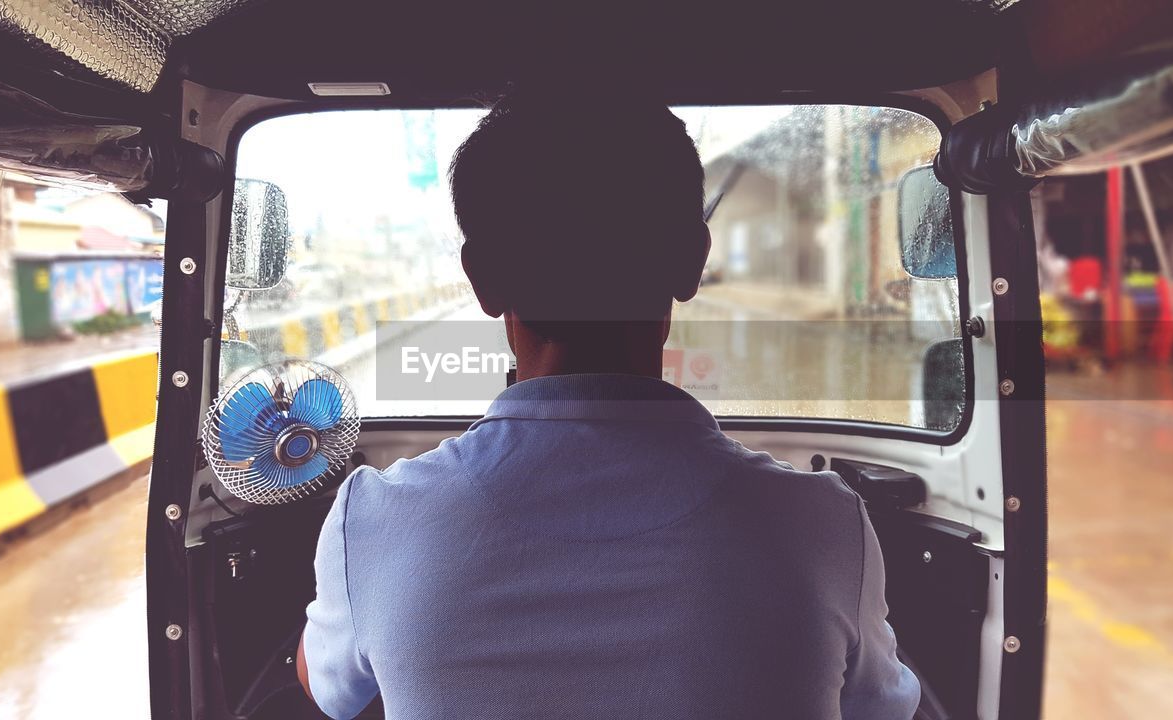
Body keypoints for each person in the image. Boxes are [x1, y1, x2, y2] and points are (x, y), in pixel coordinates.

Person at [298, 88, 920, 719]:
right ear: (692, 261)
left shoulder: (375, 521)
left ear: (482, 279)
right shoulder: (822, 524)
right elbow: (880, 707)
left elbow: (330, 690)